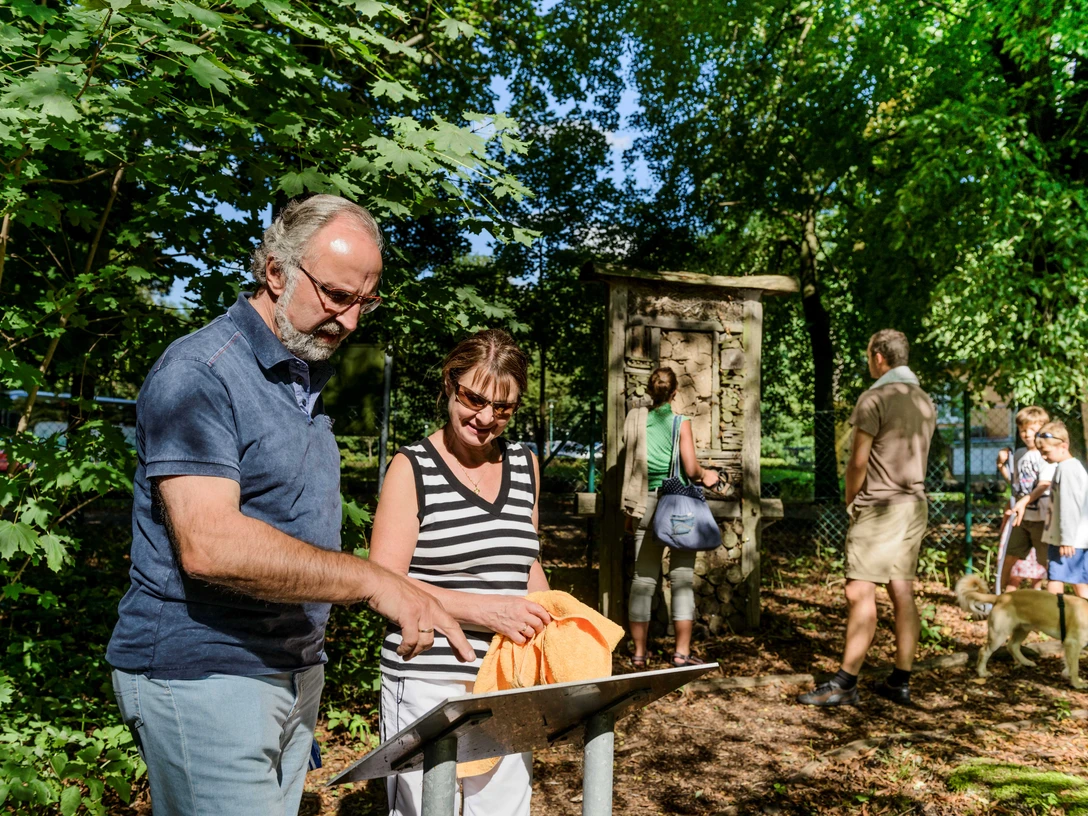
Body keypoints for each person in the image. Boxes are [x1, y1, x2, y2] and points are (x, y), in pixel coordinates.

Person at [106, 195, 473, 816]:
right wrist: (370, 580)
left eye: (365, 302)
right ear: (275, 271)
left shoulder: (300, 376)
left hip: (292, 671)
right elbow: (210, 545)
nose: (349, 321)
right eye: (336, 295)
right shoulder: (200, 372)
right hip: (205, 673)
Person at [369, 329, 551, 816]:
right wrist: (485, 612)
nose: (486, 418)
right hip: (428, 681)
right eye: (474, 399)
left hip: (507, 678)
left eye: (504, 408)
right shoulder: (412, 467)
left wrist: (553, 631)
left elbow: (526, 561)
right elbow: (382, 582)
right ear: (450, 384)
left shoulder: (525, 464)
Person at [797, 329, 935, 707]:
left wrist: (851, 502)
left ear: (878, 357)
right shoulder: (924, 400)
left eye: (867, 356)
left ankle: (845, 683)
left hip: (880, 507)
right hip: (914, 505)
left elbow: (858, 462)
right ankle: (900, 681)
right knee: (902, 590)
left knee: (859, 591)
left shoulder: (875, 398)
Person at [622, 366, 720, 669]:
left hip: (644, 504)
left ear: (650, 391)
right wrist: (707, 474)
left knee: (643, 579)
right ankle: (680, 653)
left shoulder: (638, 421)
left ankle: (639, 654)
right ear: (674, 392)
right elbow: (690, 469)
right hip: (677, 506)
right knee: (681, 579)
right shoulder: (680, 422)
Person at [996, 406, 1054, 591]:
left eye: (1032, 430)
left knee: (1047, 561)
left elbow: (1044, 484)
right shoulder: (1020, 454)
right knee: (1009, 557)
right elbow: (1016, 484)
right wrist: (1001, 466)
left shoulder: (1046, 454)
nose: (1027, 434)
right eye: (1023, 430)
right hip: (1021, 519)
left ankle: (1057, 598)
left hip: (1041, 519)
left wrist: (1024, 501)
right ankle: (999, 597)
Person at [1037, 421, 1088, 599]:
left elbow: (1069, 506)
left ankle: (1053, 613)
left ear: (1063, 446)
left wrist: (1067, 539)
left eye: (1046, 451)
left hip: (1067, 540)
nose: (1043, 456)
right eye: (1040, 452)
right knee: (1078, 581)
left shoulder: (1067, 469)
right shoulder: (1068, 467)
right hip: (1072, 539)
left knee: (1056, 578)